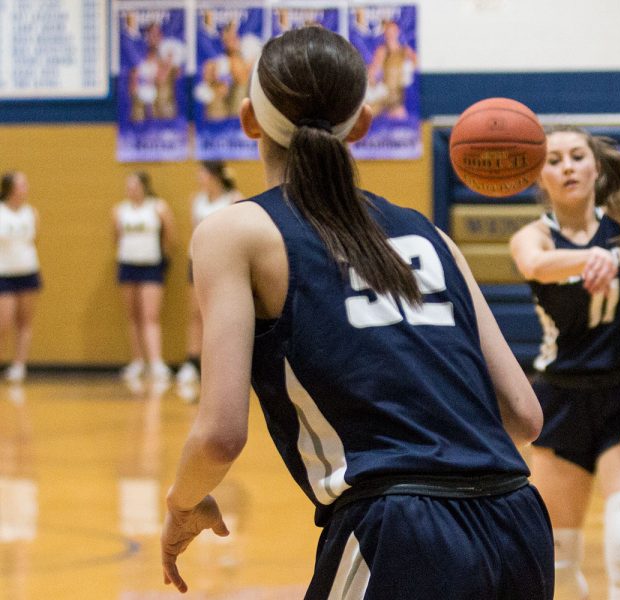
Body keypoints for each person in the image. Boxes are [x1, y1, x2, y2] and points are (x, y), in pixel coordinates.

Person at [161, 27, 553, 599]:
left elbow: (220, 435)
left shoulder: (235, 231)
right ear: (363, 124)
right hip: (518, 522)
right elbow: (524, 416)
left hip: (400, 530)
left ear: (248, 120)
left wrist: (181, 505)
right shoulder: (431, 234)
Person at [509, 128, 620, 600]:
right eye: (555, 159)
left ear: (596, 168)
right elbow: (536, 266)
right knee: (557, 563)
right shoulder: (532, 236)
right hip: (560, 397)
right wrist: (588, 258)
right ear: (540, 177)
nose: (567, 166)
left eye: (577, 156)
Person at [175, 161, 241, 388]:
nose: (199, 178)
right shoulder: (197, 200)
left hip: (223, 263)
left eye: (202, 173)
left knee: (220, 314)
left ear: (214, 176)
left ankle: (221, 363)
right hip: (197, 259)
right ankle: (193, 362)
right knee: (196, 313)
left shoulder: (234, 199)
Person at [113, 172, 176, 383]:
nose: (130, 190)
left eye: (134, 186)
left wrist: (163, 260)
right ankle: (137, 361)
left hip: (151, 266)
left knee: (150, 316)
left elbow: (169, 237)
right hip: (128, 265)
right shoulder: (119, 211)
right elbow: (116, 237)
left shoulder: (158, 207)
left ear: (144, 187)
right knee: (133, 316)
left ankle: (156, 362)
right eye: (128, 186)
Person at [0, 171, 41, 383]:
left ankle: (19, 365)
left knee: (24, 322)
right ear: (10, 188)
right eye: (22, 184)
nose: (26, 187)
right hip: (4, 274)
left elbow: (34, 240)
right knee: (3, 322)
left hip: (28, 271)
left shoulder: (31, 212)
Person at [365, 20, 417, 120]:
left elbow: (416, 64)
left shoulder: (405, 51)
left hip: (398, 97)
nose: (391, 35)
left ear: (397, 32)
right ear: (385, 34)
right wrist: (372, 83)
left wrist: (409, 69)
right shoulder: (382, 51)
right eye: (388, 32)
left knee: (403, 123)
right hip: (384, 96)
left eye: (393, 31)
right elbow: (372, 71)